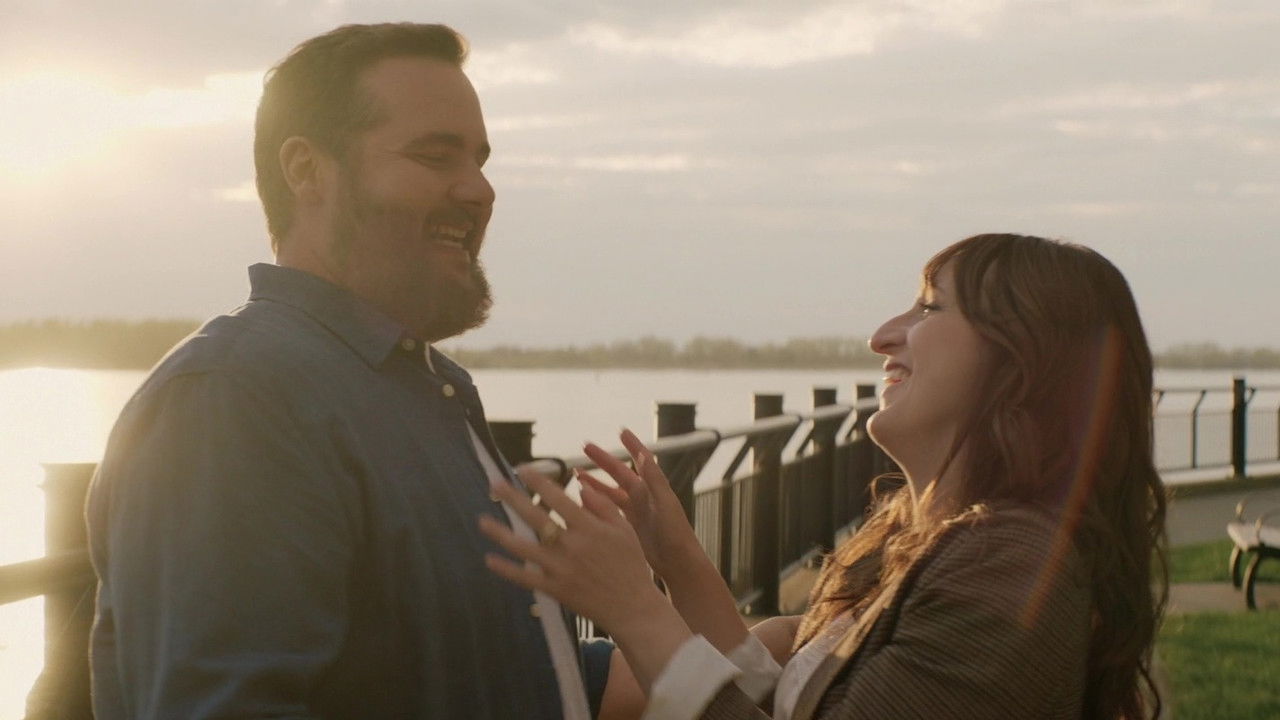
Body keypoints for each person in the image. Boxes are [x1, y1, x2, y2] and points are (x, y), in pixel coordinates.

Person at [86, 23, 612, 719]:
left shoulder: (422, 388)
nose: (479, 190)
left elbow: (498, 669)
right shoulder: (236, 400)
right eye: (436, 156)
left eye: (480, 160)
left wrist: (731, 665)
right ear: (306, 170)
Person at [482, 233, 1169, 719]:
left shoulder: (1010, 565)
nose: (883, 335)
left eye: (930, 307)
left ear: (1022, 359)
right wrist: (677, 560)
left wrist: (633, 608)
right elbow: (783, 702)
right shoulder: (928, 540)